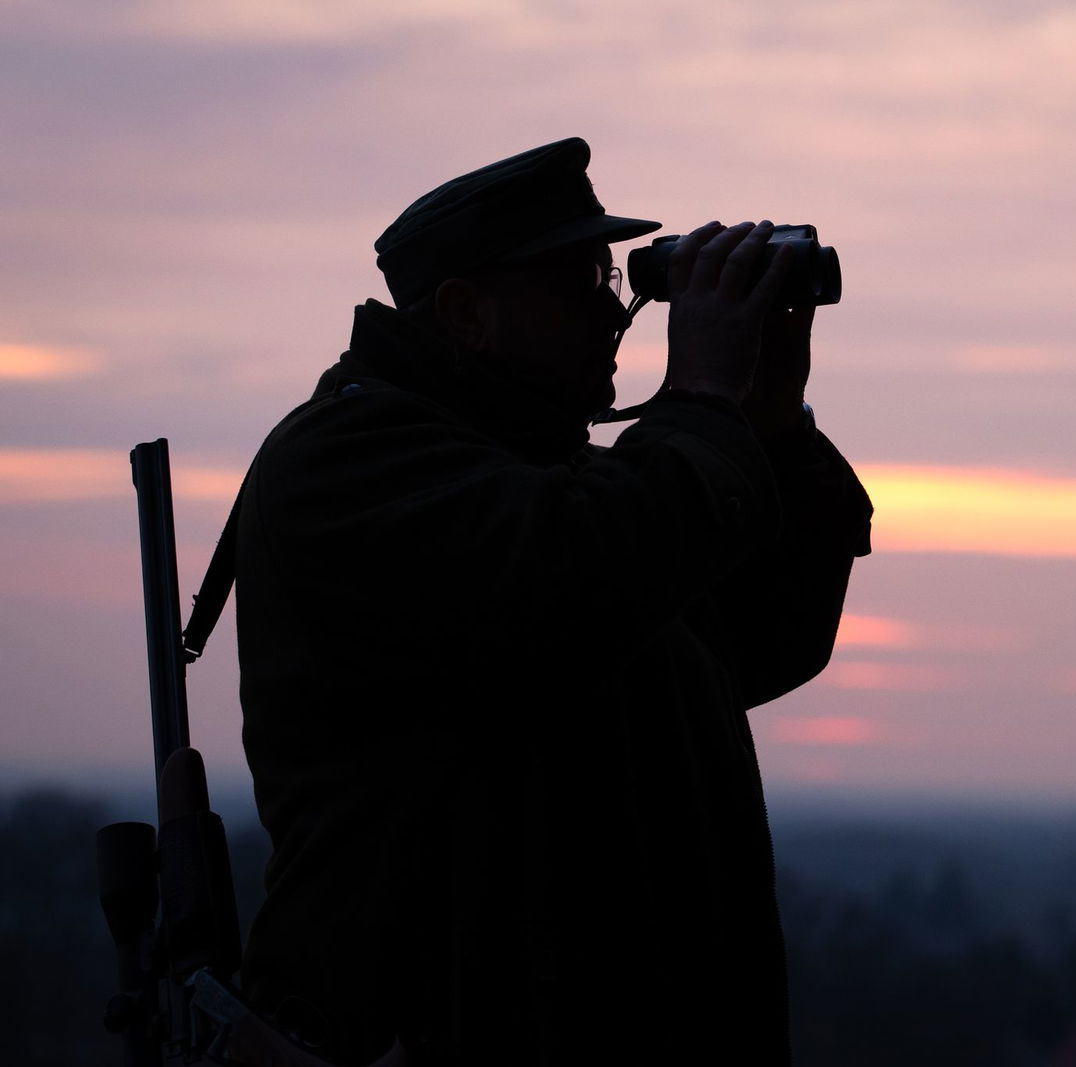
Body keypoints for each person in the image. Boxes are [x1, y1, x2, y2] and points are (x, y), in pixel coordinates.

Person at [233, 137, 872, 1066]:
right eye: (579, 283)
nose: (615, 311)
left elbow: (762, 642)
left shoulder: (556, 479)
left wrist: (769, 418)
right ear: (465, 313)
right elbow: (583, 572)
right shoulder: (346, 469)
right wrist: (698, 395)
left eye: (614, 277)